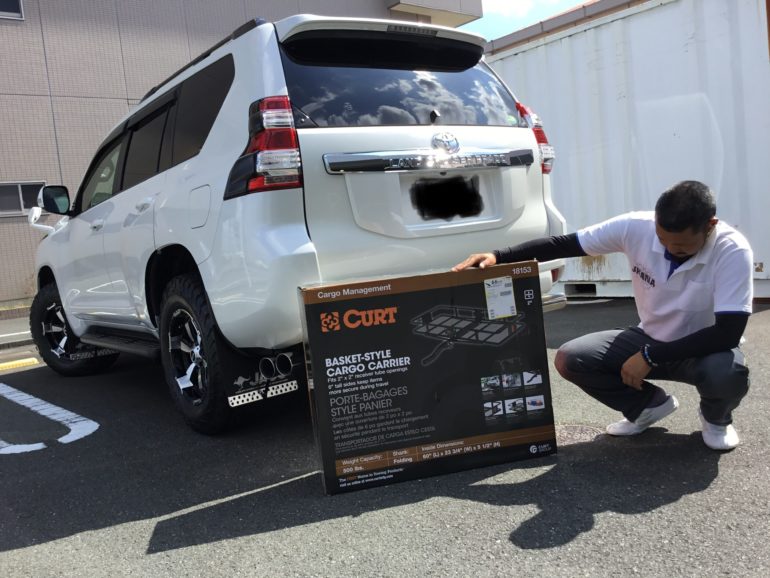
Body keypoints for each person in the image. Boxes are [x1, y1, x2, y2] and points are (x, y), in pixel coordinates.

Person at [453, 181, 753, 450]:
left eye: (683, 246)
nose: (671, 250)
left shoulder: (732, 250)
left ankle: (716, 419)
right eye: (663, 240)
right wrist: (499, 256)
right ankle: (647, 407)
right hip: (649, 337)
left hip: (703, 349)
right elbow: (564, 244)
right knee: (571, 358)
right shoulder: (635, 227)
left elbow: (727, 332)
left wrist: (650, 356)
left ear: (710, 225)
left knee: (726, 373)